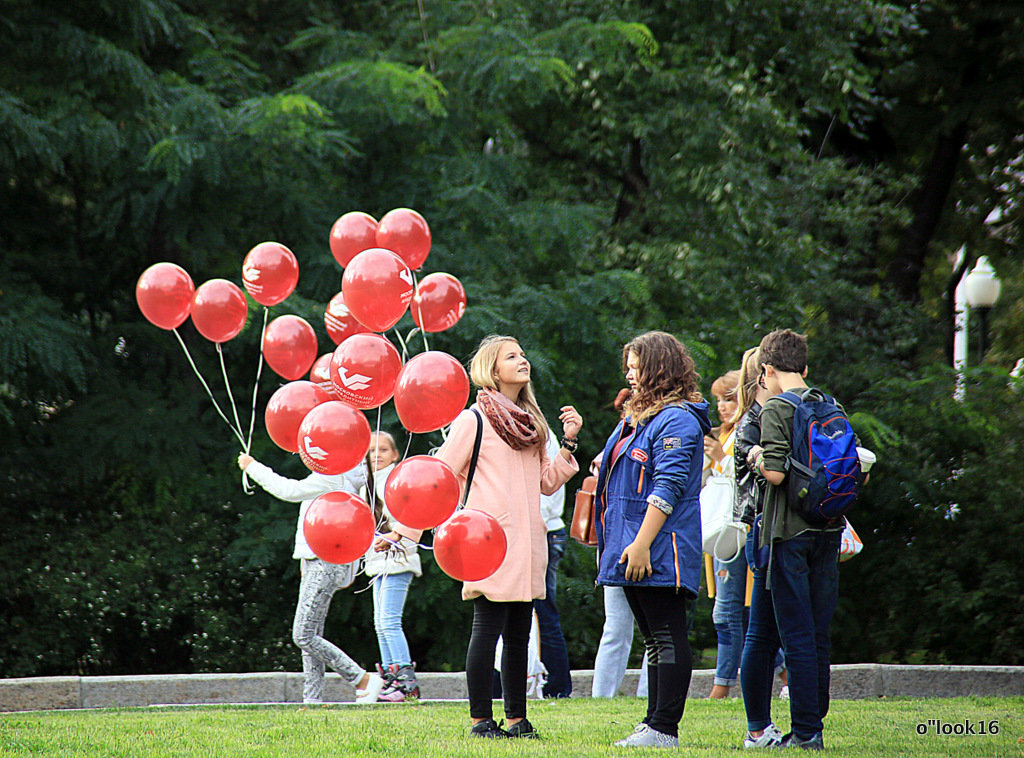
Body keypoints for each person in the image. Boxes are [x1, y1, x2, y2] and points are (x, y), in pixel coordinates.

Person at [434, 335, 582, 739]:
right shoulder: (473, 420)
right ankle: (481, 721)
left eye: (523, 354)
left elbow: (547, 484)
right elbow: (440, 478)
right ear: (491, 369)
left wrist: (568, 442)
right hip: (486, 541)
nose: (523, 360)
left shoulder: (532, 423)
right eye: (511, 356)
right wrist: (411, 530)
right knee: (487, 628)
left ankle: (517, 720)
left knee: (519, 634)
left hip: (528, 541)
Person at [595, 331, 711, 749]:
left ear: (659, 367)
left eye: (635, 365)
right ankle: (653, 723)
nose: (628, 373)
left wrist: (642, 543)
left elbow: (670, 484)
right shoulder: (640, 416)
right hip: (632, 541)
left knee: (665, 633)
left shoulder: (677, 418)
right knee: (652, 636)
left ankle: (665, 728)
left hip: (660, 544)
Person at [747, 329, 846, 750]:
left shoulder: (776, 408)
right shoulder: (830, 404)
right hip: (829, 529)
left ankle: (806, 732)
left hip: (788, 534)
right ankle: (813, 722)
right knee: (818, 633)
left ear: (767, 370)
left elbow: (774, 473)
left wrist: (754, 456)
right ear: (805, 368)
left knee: (797, 636)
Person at [237, 453, 385, 705]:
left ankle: (362, 679)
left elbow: (289, 490)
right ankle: (312, 699)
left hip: (323, 563)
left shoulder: (333, 478)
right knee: (313, 632)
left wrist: (253, 467)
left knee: (303, 634)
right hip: (318, 561)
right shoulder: (342, 479)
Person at [736, 346, 787, 747]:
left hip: (773, 531)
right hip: (764, 532)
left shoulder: (767, 419)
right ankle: (757, 726)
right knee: (761, 632)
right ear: (764, 378)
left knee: (768, 632)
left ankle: (765, 724)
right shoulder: (754, 425)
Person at [591, 389, 649, 700]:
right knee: (616, 626)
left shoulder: (658, 433)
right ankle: (601, 698)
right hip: (616, 537)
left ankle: (648, 696)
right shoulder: (619, 438)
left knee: (655, 629)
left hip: (647, 537)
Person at [362, 430, 422, 702]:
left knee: (389, 621)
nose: (377, 456)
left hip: (398, 559)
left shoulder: (399, 479)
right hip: (377, 563)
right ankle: (390, 677)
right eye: (371, 451)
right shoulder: (366, 485)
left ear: (395, 454)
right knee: (379, 624)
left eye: (383, 450)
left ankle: (406, 683)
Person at [703, 370, 744, 700]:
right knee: (736, 611)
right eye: (718, 400)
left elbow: (748, 478)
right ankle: (785, 675)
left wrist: (719, 459)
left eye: (728, 399)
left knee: (727, 611)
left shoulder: (746, 432)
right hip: (721, 528)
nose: (721, 407)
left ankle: (722, 685)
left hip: (736, 530)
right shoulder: (726, 433)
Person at [534, 430, 573, 698]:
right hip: (548, 529)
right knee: (541, 611)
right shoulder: (539, 428)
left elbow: (546, 490)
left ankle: (557, 685)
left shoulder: (532, 429)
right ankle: (554, 684)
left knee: (541, 611)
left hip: (542, 531)